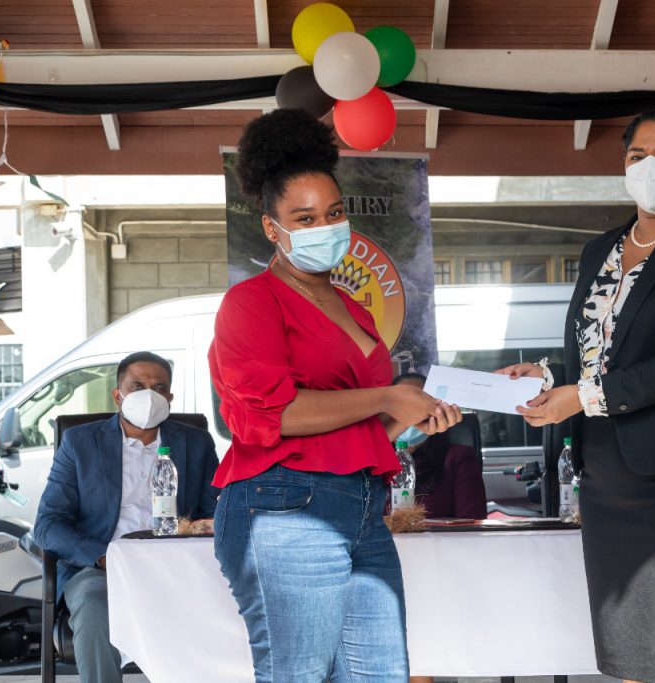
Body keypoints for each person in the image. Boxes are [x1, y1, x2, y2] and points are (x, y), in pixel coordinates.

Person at [499, 105, 655, 683]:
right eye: (638, 156)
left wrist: (580, 398)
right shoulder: (600, 250)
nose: (650, 167)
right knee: (627, 650)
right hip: (608, 470)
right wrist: (543, 377)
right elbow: (595, 352)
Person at [209, 109, 460, 683]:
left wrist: (417, 411)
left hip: (363, 506)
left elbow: (363, 427)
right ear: (272, 229)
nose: (326, 226)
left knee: (381, 674)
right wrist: (385, 398)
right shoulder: (252, 302)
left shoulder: (355, 309)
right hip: (282, 507)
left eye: (334, 212)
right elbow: (269, 415)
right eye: (305, 217)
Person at [34, 351, 219, 683]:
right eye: (137, 386)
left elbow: (214, 515)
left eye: (159, 387)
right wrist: (104, 557)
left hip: (175, 566)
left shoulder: (196, 443)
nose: (148, 395)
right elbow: (48, 525)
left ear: (170, 398)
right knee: (93, 604)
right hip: (100, 569)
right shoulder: (81, 442)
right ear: (117, 395)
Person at [393, 373, 488, 519]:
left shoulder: (458, 458)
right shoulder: (371, 460)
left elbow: (472, 523)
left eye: (417, 404)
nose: (409, 412)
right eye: (401, 404)